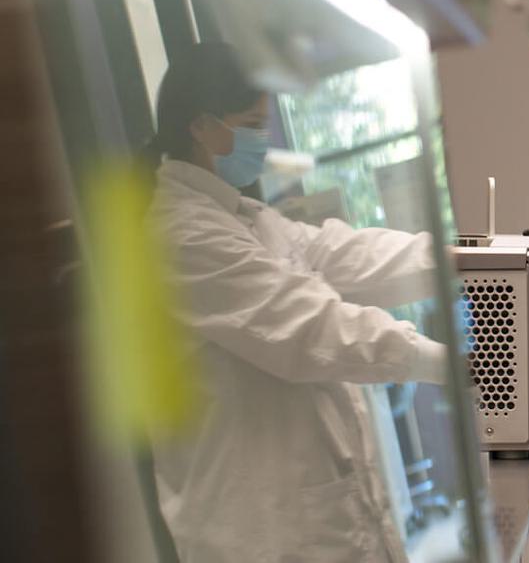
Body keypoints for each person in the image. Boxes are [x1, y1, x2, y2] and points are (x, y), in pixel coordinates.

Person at [145, 42, 447, 563]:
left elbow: (348, 254)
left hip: (311, 515)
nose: (261, 141)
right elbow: (313, 331)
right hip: (262, 531)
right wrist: (462, 366)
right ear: (200, 126)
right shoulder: (180, 235)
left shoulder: (247, 218)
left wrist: (465, 259)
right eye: (250, 123)